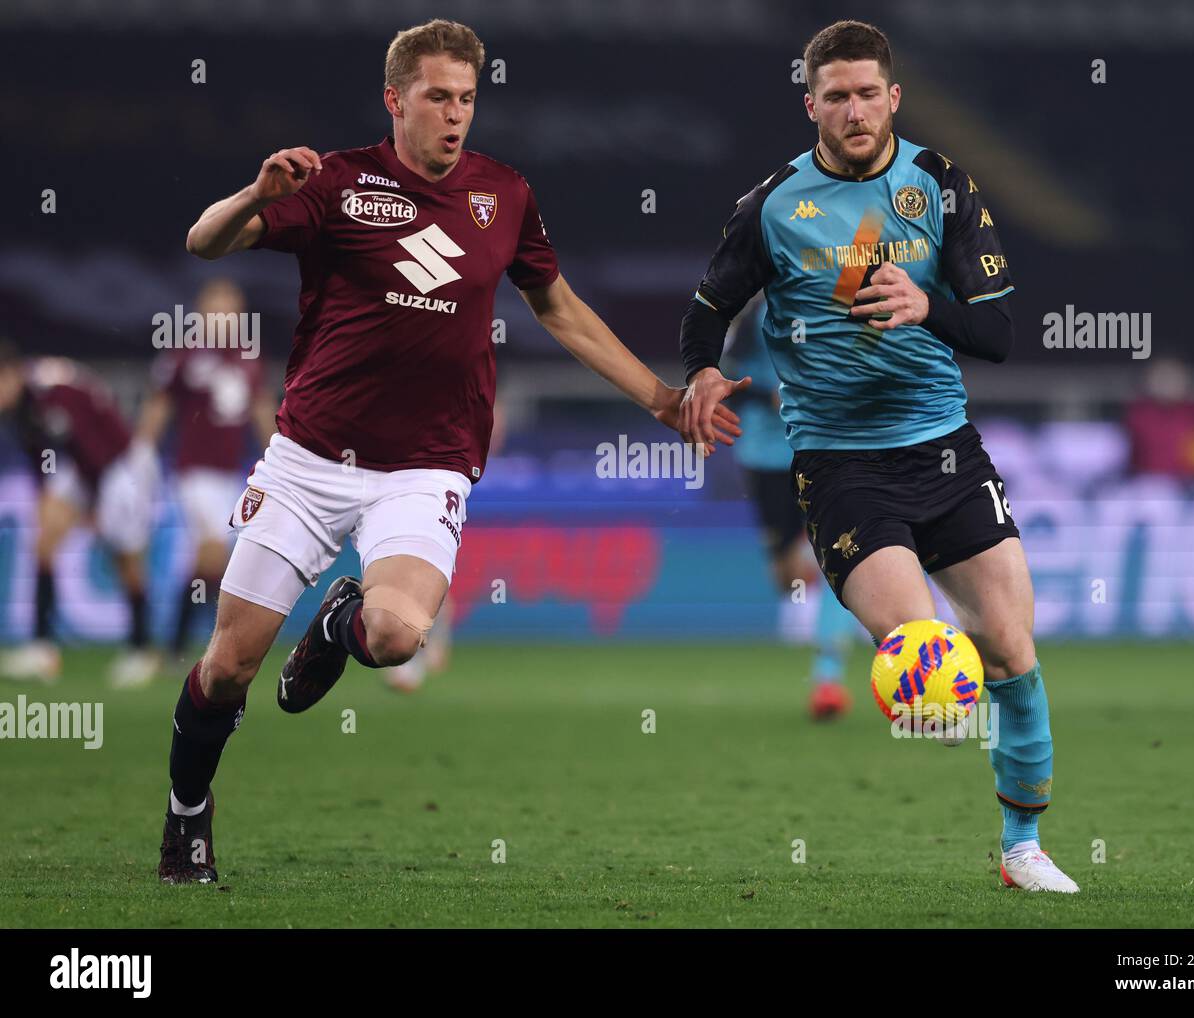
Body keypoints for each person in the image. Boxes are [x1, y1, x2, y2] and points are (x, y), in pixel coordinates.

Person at [158, 18, 739, 884]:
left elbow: (561, 309)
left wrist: (660, 397)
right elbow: (204, 242)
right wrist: (253, 193)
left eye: (467, 98)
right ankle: (187, 815)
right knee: (228, 667)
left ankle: (340, 623)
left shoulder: (503, 194)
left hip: (428, 463)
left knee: (393, 635)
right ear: (396, 99)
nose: (455, 115)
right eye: (437, 97)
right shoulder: (337, 183)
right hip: (311, 459)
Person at [676, 21, 1077, 892]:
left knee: (1010, 650)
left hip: (945, 453)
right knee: (925, 664)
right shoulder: (773, 206)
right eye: (836, 96)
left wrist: (927, 304)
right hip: (842, 465)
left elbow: (1001, 333)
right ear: (810, 102)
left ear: (894, 98)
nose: (853, 111)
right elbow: (708, 307)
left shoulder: (940, 186)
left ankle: (1022, 849)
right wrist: (702, 369)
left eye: (868, 94)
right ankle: (862, 680)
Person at [724, 301, 860, 719]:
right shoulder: (752, 316)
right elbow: (726, 379)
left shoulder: (838, 303)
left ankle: (827, 680)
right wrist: (774, 396)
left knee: (842, 562)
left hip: (826, 451)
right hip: (766, 457)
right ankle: (805, 553)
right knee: (787, 580)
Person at [0, 345, 162, 688]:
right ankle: (42, 648)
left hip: (120, 465)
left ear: (10, 373)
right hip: (82, 467)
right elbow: (41, 459)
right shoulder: (22, 406)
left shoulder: (51, 390)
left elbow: (92, 437)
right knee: (44, 541)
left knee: (126, 558)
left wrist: (93, 508)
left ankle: (142, 648)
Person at [135, 278, 279, 658]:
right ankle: (179, 647)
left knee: (217, 561)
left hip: (233, 473)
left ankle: (189, 643)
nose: (224, 317)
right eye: (217, 308)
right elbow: (159, 404)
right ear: (201, 313)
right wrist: (140, 454)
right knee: (212, 552)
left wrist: (279, 455)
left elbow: (261, 410)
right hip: (193, 472)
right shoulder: (183, 355)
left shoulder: (249, 358)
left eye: (231, 309)